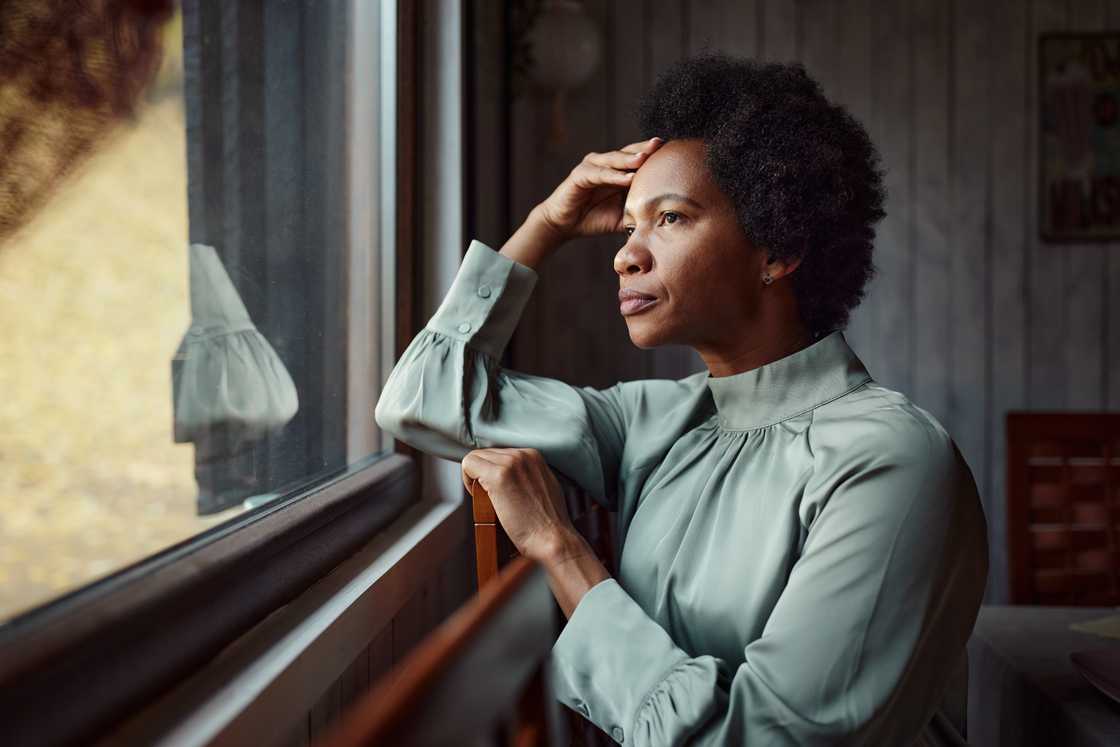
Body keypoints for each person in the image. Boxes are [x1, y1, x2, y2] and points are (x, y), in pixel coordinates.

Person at [374, 52, 988, 746]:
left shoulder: (891, 461)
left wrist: (561, 551)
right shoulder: (655, 419)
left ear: (777, 248)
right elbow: (418, 399)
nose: (624, 255)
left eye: (669, 218)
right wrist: (549, 221)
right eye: (628, 225)